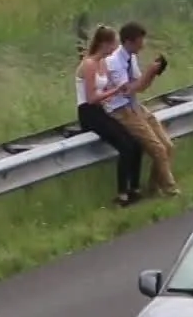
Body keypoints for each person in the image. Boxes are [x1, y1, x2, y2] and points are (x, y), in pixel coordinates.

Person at [106, 22, 180, 198]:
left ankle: (154, 187)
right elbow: (127, 90)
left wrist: (153, 73)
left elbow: (140, 87)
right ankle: (171, 189)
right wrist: (149, 71)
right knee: (158, 149)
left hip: (134, 105)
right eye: (140, 41)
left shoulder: (131, 57)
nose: (143, 44)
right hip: (121, 110)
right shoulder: (114, 62)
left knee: (167, 147)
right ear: (129, 41)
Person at [76, 26, 145, 206]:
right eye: (114, 44)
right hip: (88, 112)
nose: (116, 48)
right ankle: (122, 194)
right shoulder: (89, 63)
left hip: (101, 109)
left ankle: (135, 189)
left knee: (136, 144)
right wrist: (115, 91)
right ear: (104, 44)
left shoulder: (103, 63)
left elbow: (104, 90)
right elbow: (91, 98)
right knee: (125, 146)